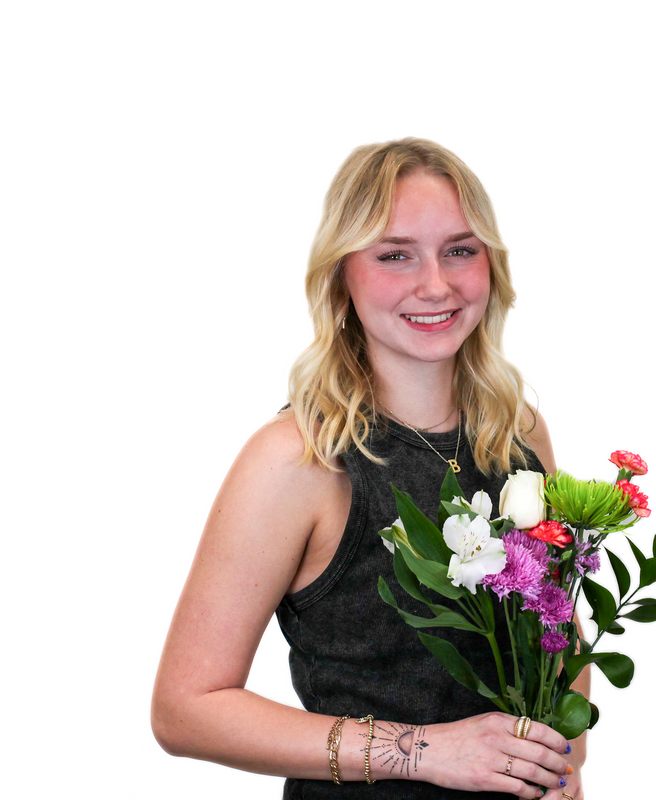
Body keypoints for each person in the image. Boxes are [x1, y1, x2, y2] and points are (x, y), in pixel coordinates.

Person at [151, 137, 589, 799]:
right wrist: (425, 752)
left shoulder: (517, 432)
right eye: (395, 255)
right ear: (341, 274)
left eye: (460, 250)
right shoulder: (298, 457)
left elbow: (558, 629)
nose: (436, 283)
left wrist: (561, 765)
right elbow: (185, 708)